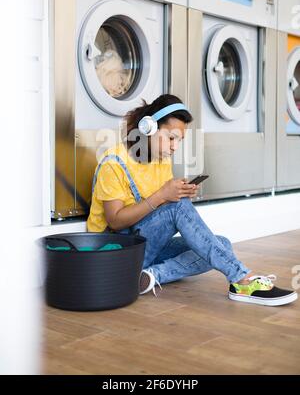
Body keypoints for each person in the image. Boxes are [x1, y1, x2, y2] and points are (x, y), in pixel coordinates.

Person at [87, 94, 298, 307]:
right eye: (171, 138)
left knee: (221, 245)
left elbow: (161, 214)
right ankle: (241, 279)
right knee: (182, 213)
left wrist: (177, 194)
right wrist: (162, 196)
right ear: (148, 128)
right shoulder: (113, 163)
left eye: (179, 140)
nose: (174, 147)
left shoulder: (161, 160)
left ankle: (150, 276)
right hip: (114, 254)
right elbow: (114, 221)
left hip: (143, 249)